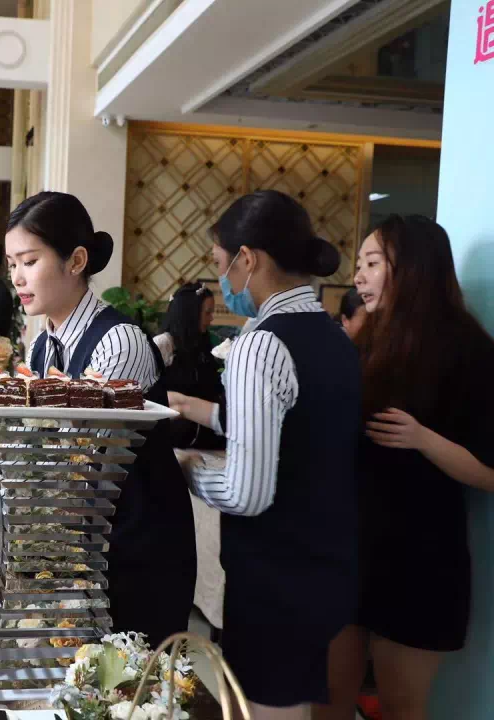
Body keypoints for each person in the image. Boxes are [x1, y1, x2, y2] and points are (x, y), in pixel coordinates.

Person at [0, 191, 196, 647]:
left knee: (125, 679)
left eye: (29, 261)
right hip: (83, 547)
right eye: (12, 264)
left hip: (136, 549)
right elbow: (19, 455)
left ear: (76, 261)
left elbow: (65, 467)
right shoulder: (43, 347)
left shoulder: (119, 343)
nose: (17, 277)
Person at [170, 191, 360, 719]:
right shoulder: (335, 337)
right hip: (327, 564)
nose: (221, 280)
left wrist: (186, 469)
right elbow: (302, 434)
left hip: (276, 576)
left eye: (220, 264)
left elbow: (246, 494)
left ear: (247, 258)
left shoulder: (261, 343)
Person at [317, 216, 494, 720]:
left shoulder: (469, 351)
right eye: (360, 264)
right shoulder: (363, 342)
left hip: (420, 560)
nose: (358, 276)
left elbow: (489, 472)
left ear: (413, 268)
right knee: (327, 698)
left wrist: (423, 438)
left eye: (373, 263)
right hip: (348, 548)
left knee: (401, 706)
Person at [153, 282, 225, 449]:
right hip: (175, 429)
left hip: (203, 428)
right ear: (190, 313)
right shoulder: (165, 344)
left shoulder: (202, 344)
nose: (212, 318)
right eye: (207, 312)